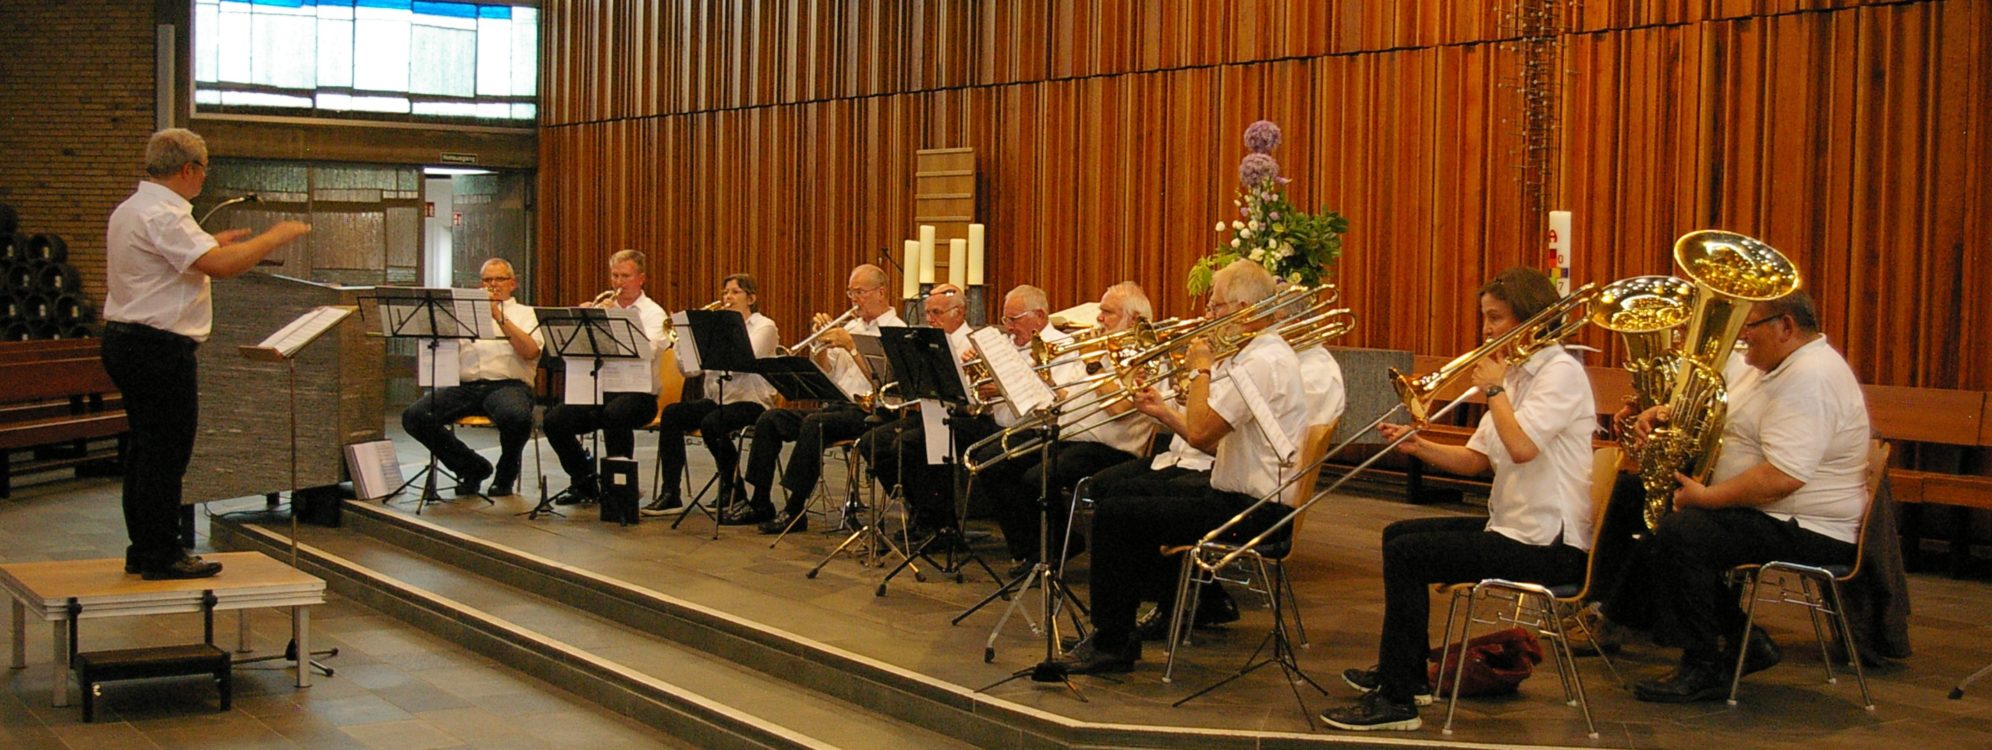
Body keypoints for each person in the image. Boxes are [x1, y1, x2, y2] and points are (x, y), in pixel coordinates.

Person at [1322, 267, 1595, 732]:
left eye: (1496, 318)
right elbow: (1476, 461)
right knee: (1399, 536)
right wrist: (1418, 445)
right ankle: (1407, 675)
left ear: (1530, 319)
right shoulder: (1519, 376)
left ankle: (1398, 700)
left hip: (1549, 545)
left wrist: (1494, 391)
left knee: (1411, 555)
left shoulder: (1561, 374)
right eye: (1485, 318)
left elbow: (1522, 448)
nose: (1486, 330)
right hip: (1514, 528)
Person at [1058, 260, 1311, 674]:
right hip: (1234, 492)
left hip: (1256, 507)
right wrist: (1165, 408)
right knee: (1119, 495)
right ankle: (1121, 626)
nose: (1206, 317)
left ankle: (1113, 642)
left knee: (1119, 515)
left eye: (1214, 307)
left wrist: (1200, 369)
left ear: (1241, 307)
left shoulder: (1264, 362)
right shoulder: (1253, 355)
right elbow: (1208, 435)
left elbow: (1200, 434)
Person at [1624, 289, 1871, 703]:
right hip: (1770, 512)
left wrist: (1707, 497)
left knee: (1682, 535)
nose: (1740, 341)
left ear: (1786, 327)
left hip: (1806, 525)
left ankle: (1703, 663)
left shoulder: (1811, 377)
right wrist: (1662, 413)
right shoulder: (1769, 365)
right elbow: (1714, 411)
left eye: (1747, 329)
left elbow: (1783, 477)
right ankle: (1735, 639)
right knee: (1635, 497)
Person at [102, 128, 310, 579]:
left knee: (145, 451)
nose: (203, 178)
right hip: (157, 347)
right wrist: (273, 237)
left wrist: (210, 241)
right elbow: (222, 267)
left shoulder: (133, 208)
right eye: (204, 169)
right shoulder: (165, 213)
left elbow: (168, 261)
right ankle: (161, 554)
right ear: (188, 169)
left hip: (127, 340)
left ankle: (144, 548)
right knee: (165, 455)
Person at [736, 264, 905, 532]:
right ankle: (759, 501)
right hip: (838, 404)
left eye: (860, 292)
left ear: (881, 292)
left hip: (871, 410)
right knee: (771, 419)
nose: (854, 300)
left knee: (815, 424)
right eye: (851, 293)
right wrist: (820, 346)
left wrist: (851, 345)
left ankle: (795, 509)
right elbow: (826, 370)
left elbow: (886, 380)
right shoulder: (852, 324)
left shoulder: (896, 329)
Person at [852, 283, 989, 536]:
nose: (929, 319)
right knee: (872, 441)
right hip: (933, 414)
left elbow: (977, 397)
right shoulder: (928, 341)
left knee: (907, 444)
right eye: (927, 313)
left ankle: (937, 521)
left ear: (958, 313)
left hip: (965, 419)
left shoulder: (974, 343)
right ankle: (918, 507)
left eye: (936, 313)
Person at [400, 258, 543, 497]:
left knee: (516, 417)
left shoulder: (526, 313)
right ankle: (472, 467)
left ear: (513, 283)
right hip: (465, 385)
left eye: (500, 279)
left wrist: (497, 315)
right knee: (415, 416)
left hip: (508, 385)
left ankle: (506, 474)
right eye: (488, 280)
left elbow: (530, 351)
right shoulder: (461, 313)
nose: (493, 285)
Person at [642, 273, 778, 516]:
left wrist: (710, 338)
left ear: (751, 298)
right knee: (673, 414)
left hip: (751, 401)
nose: (728, 297)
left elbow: (746, 359)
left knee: (712, 423)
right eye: (725, 292)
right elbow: (690, 370)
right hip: (717, 399)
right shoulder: (714, 327)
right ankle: (671, 493)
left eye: (735, 292)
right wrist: (684, 339)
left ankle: (732, 487)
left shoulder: (764, 326)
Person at [544, 249, 668, 503]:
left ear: (641, 278)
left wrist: (617, 318)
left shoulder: (654, 313)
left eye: (626, 276)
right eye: (615, 276)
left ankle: (619, 489)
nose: (619, 282)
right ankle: (584, 480)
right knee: (554, 420)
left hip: (640, 395)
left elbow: (651, 349)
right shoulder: (601, 305)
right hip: (599, 391)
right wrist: (582, 322)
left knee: (616, 414)